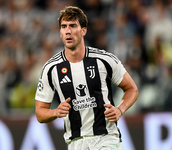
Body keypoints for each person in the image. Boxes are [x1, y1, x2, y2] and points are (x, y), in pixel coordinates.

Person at [35, 6, 139, 150]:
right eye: (64, 27)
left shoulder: (104, 60)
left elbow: (132, 88)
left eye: (73, 26)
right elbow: (40, 113)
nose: (68, 31)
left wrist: (120, 110)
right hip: (75, 143)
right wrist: (55, 112)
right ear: (60, 32)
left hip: (106, 138)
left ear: (83, 30)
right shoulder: (50, 68)